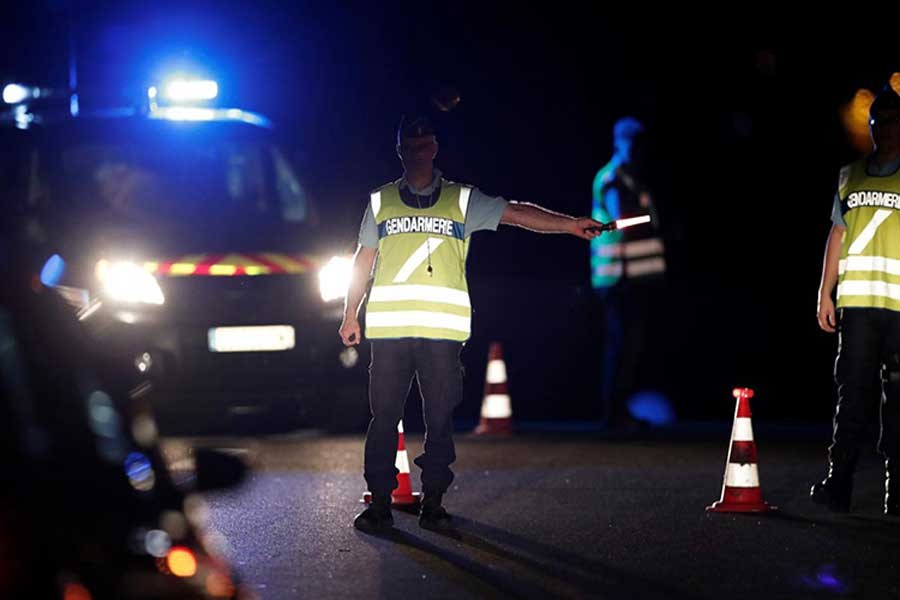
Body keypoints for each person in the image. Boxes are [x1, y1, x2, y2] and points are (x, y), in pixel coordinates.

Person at [340, 115, 605, 533]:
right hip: (390, 333)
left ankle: (434, 503)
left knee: (440, 419)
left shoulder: (461, 200)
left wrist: (570, 225)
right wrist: (349, 313)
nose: (417, 153)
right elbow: (363, 261)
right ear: (400, 152)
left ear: (434, 149)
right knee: (384, 418)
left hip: (442, 333)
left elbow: (516, 213)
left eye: (423, 145)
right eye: (410, 147)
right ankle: (379, 505)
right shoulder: (380, 201)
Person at [812, 84, 900, 515]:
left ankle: (897, 487)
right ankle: (838, 481)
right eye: (877, 122)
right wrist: (824, 293)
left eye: (892, 122)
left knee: (899, 399)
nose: (884, 130)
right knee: (852, 394)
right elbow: (838, 234)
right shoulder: (850, 174)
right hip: (859, 305)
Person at [590, 117, 666, 428]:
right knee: (622, 346)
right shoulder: (613, 178)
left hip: (632, 278)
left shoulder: (632, 177)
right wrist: (651, 222)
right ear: (619, 142)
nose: (637, 150)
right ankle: (613, 413)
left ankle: (618, 410)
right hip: (618, 277)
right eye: (632, 143)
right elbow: (621, 219)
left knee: (629, 346)